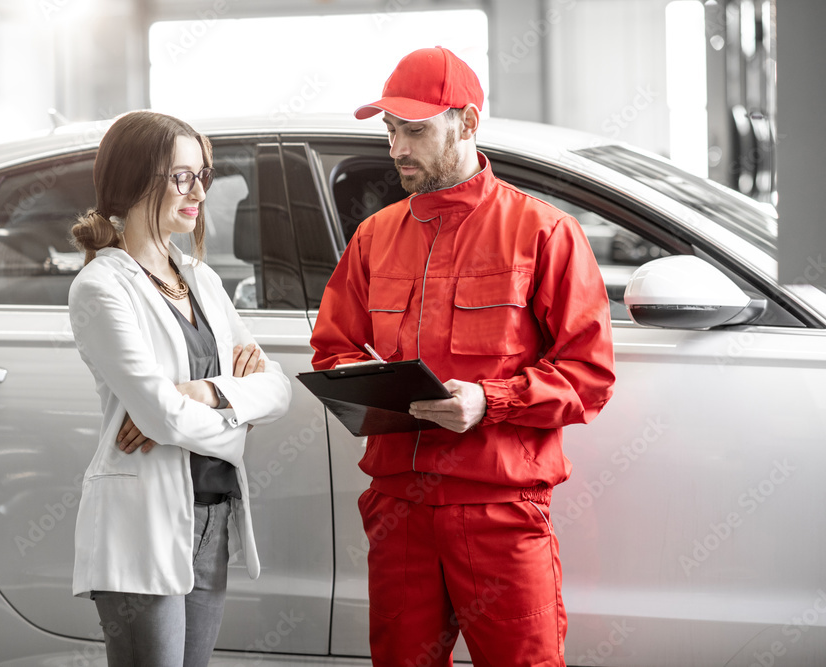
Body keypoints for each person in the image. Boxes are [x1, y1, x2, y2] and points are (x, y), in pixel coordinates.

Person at [310, 47, 616, 666]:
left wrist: (489, 400)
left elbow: (590, 376)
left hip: (498, 508)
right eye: (391, 130)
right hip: (399, 508)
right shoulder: (374, 237)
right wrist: (362, 384)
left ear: (468, 122)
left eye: (415, 130)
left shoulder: (544, 232)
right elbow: (333, 350)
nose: (397, 148)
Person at [67, 110, 292, 666]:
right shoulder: (101, 287)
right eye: (180, 176)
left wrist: (206, 394)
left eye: (202, 175)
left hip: (212, 514)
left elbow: (278, 388)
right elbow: (162, 419)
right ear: (134, 179)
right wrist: (234, 414)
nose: (197, 192)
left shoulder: (202, 279)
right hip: (143, 521)